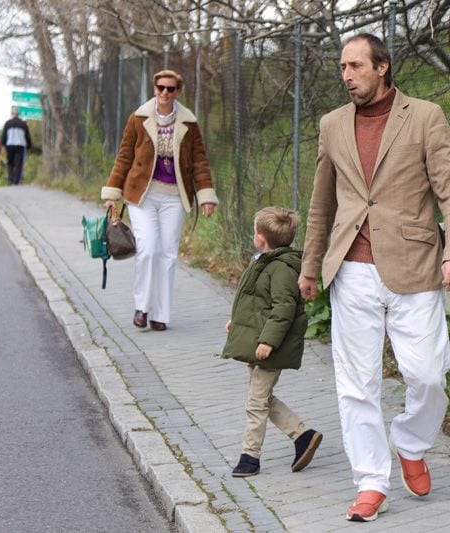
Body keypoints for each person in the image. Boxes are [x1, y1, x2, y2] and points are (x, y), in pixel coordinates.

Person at [298, 34, 450, 522]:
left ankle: (411, 442)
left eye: (355, 66)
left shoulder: (424, 116)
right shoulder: (332, 124)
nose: (346, 75)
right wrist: (310, 266)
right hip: (351, 268)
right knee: (356, 383)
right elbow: (322, 203)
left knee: (429, 373)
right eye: (341, 67)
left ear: (382, 68)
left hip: (414, 265)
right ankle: (371, 482)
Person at [102, 69, 218, 331]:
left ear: (178, 92)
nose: (165, 93)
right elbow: (124, 157)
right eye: (160, 88)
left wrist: (206, 195)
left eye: (171, 89)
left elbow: (199, 160)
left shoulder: (189, 122)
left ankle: (160, 314)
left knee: (168, 254)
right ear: (154, 89)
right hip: (142, 195)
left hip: (174, 197)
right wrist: (112, 192)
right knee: (148, 249)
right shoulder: (138, 118)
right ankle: (142, 307)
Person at [222, 207, 323, 478]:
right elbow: (255, 301)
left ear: (261, 238)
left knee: (255, 403)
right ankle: (303, 435)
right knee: (262, 397)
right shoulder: (263, 261)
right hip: (255, 341)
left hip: (268, 346)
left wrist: (268, 341)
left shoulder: (281, 268)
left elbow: (283, 308)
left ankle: (249, 457)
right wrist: (237, 322)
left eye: (255, 232)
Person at [1, 106, 32, 185]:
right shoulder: (23, 124)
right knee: (18, 164)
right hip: (20, 145)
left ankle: (10, 179)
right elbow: (27, 136)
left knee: (10, 163)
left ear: (12, 114)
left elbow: (4, 135)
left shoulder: (8, 123)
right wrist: (28, 146)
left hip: (10, 145)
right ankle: (16, 181)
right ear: (18, 114)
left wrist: (3, 145)